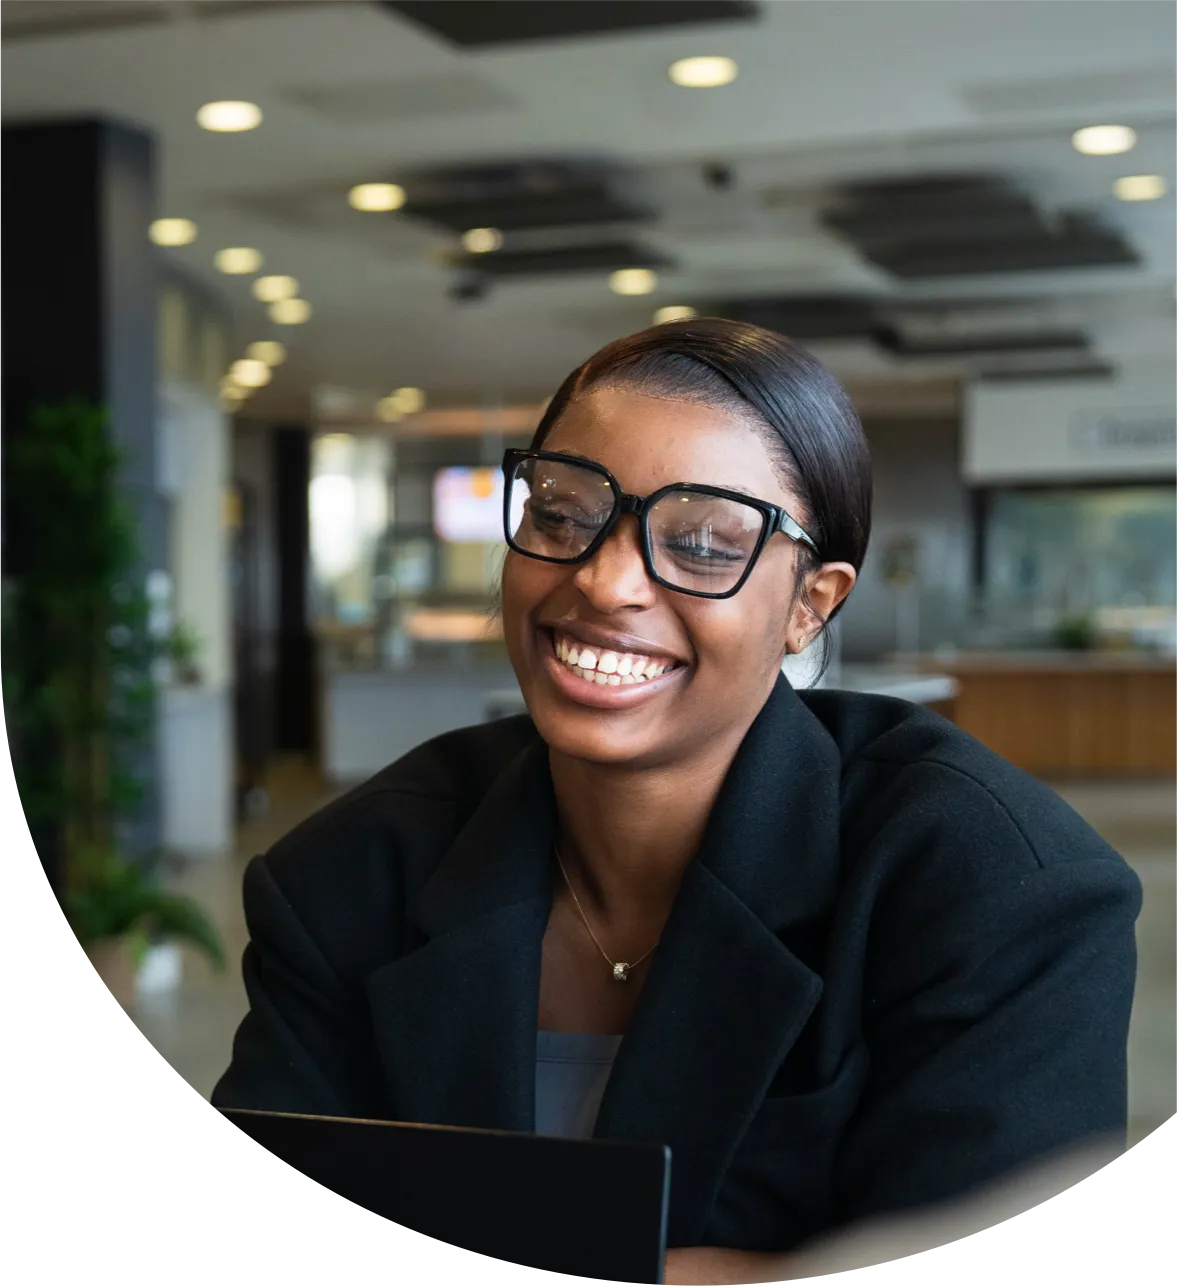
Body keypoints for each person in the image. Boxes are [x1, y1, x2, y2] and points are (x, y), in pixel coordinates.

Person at [212, 318, 1141, 1282]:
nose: (605, 581)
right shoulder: (346, 874)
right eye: (562, 516)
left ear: (807, 607)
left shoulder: (998, 888)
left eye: (700, 544)